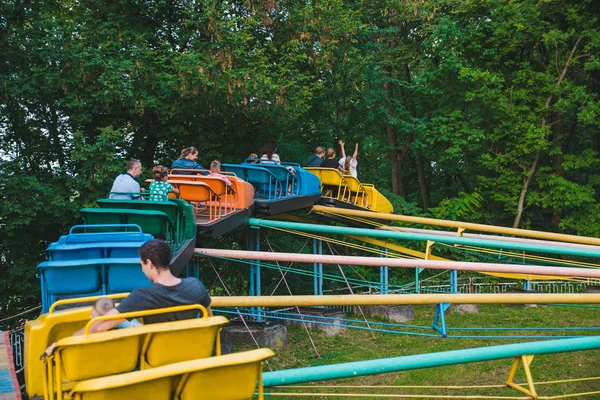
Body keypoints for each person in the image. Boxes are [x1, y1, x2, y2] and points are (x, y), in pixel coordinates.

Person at [77, 239, 212, 335]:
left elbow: (100, 328)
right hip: (190, 351)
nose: (142, 270)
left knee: (103, 317)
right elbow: (210, 320)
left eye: (142, 265)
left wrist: (61, 343)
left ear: (149, 263)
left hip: (158, 356)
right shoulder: (196, 286)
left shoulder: (142, 296)